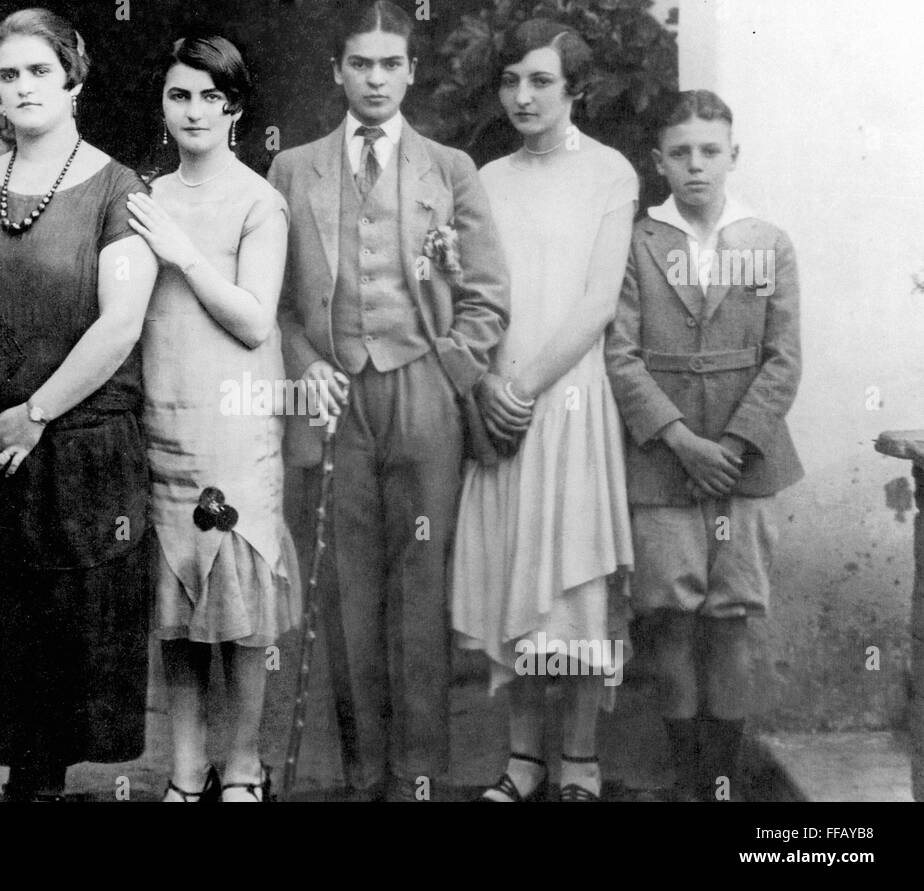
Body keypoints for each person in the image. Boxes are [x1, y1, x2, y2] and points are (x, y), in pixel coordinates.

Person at [0, 8, 158, 802]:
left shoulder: (120, 191)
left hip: (75, 447)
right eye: (9, 74)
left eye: (39, 72)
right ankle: (26, 776)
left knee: (67, 629)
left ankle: (44, 781)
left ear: (74, 82)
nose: (22, 87)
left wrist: (38, 411)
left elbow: (120, 323)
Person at [269, 1, 510, 802]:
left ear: (410, 72)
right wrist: (304, 362)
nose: (375, 79)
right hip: (334, 392)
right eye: (360, 64)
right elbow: (271, 303)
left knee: (421, 584)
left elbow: (486, 297)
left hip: (422, 391)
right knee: (343, 589)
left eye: (390, 64)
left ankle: (417, 772)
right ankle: (361, 771)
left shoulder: (451, 168)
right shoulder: (293, 168)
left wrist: (452, 370)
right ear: (337, 71)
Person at [450, 19, 636, 802]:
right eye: (511, 81)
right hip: (500, 403)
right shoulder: (485, 178)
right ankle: (523, 756)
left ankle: (581, 759)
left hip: (567, 401)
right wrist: (489, 386)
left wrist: (525, 387)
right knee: (514, 574)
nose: (523, 96)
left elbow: (597, 302)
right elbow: (469, 295)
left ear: (574, 89)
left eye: (541, 82)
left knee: (572, 579)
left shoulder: (611, 173)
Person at [605, 90, 802, 802]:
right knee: (671, 619)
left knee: (731, 619)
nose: (696, 166)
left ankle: (725, 779)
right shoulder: (639, 241)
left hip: (746, 465)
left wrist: (737, 443)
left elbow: (783, 359)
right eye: (681, 152)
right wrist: (683, 440)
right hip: (664, 462)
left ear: (732, 156)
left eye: (709, 151)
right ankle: (688, 780)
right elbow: (621, 356)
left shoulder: (766, 242)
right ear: (659, 161)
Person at [126, 35, 298, 803]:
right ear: (162, 106)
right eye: (178, 95)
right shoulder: (144, 199)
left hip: (234, 427)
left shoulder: (260, 201)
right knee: (177, 616)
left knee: (239, 611)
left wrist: (184, 253)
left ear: (234, 106)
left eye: (210, 96)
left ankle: (244, 768)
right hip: (163, 422)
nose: (194, 111)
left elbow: (256, 321)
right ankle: (186, 769)